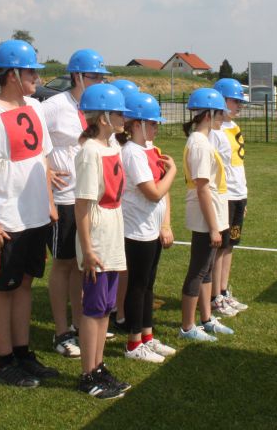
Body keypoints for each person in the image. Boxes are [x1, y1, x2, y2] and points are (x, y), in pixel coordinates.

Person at [0, 39, 60, 388]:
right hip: (6, 219)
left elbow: (44, 160)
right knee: (1, 288)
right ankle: (4, 360)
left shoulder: (35, 107)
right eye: (31, 71)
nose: (37, 77)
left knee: (24, 285)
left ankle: (23, 353)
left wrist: (49, 203)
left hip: (35, 216)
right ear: (11, 75)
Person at [43, 48, 109, 358]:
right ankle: (60, 331)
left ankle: (83, 324)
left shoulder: (97, 109)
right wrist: (45, 169)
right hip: (66, 197)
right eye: (94, 76)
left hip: (90, 198)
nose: (99, 82)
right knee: (64, 263)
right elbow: (33, 142)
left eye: (101, 77)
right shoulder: (55, 106)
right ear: (77, 76)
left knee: (83, 264)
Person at [74, 83, 132, 399]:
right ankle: (87, 374)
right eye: (120, 112)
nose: (125, 117)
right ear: (105, 116)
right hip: (96, 237)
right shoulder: (89, 153)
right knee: (93, 309)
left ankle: (98, 366)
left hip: (112, 234)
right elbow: (82, 205)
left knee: (105, 308)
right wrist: (88, 249)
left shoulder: (113, 147)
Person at [117, 91, 178, 362]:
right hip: (136, 230)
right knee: (138, 286)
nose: (157, 127)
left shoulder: (149, 150)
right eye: (153, 123)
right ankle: (133, 343)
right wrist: (174, 173)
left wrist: (166, 223)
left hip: (151, 229)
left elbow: (163, 195)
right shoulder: (132, 153)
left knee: (148, 285)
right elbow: (154, 192)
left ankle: (147, 337)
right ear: (138, 124)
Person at [179, 88, 234, 342]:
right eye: (219, 113)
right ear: (208, 114)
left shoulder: (204, 140)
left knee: (208, 270)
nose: (223, 117)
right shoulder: (199, 143)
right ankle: (188, 327)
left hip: (213, 214)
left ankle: (206, 318)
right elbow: (202, 188)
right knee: (198, 270)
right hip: (206, 216)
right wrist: (213, 227)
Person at [209, 78, 250, 317]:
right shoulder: (214, 131)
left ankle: (224, 291)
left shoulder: (233, 127)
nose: (239, 106)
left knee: (230, 245)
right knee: (220, 247)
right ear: (222, 100)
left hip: (238, 194)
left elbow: (238, 164)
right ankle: (215, 296)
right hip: (224, 196)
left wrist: (245, 194)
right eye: (236, 101)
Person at [106, 78, 138, 334]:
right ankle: (117, 311)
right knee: (119, 265)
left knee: (123, 264)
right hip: (119, 210)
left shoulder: (123, 140)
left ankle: (119, 308)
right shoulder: (113, 142)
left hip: (124, 209)